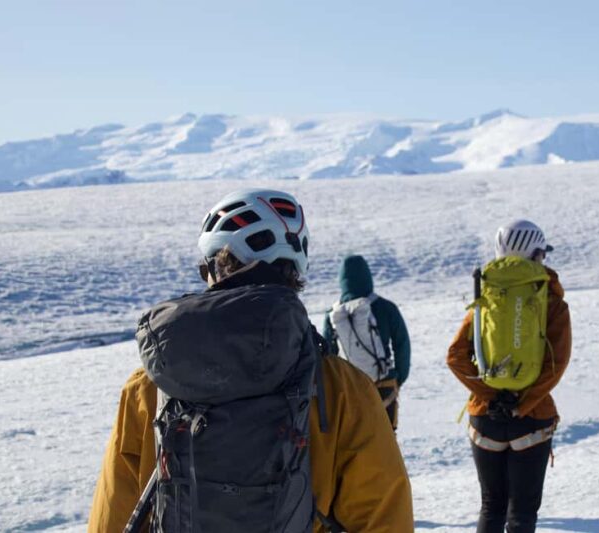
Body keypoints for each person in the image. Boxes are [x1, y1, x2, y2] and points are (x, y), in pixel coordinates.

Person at [88, 189, 413, 533]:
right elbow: (384, 519)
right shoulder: (343, 388)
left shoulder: (151, 386)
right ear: (295, 272)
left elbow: (112, 517)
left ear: (215, 268)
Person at [447, 219, 572, 533]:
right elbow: (555, 364)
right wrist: (522, 404)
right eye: (542, 253)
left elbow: (456, 356)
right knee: (522, 514)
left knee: (492, 507)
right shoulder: (551, 299)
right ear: (535, 253)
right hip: (533, 419)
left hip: (485, 418)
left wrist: (491, 397)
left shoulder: (486, 293)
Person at [322, 255, 410, 430]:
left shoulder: (333, 314)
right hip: (385, 384)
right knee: (386, 442)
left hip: (351, 387)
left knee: (357, 442)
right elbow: (402, 344)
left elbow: (327, 355)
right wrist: (398, 377)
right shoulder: (385, 307)